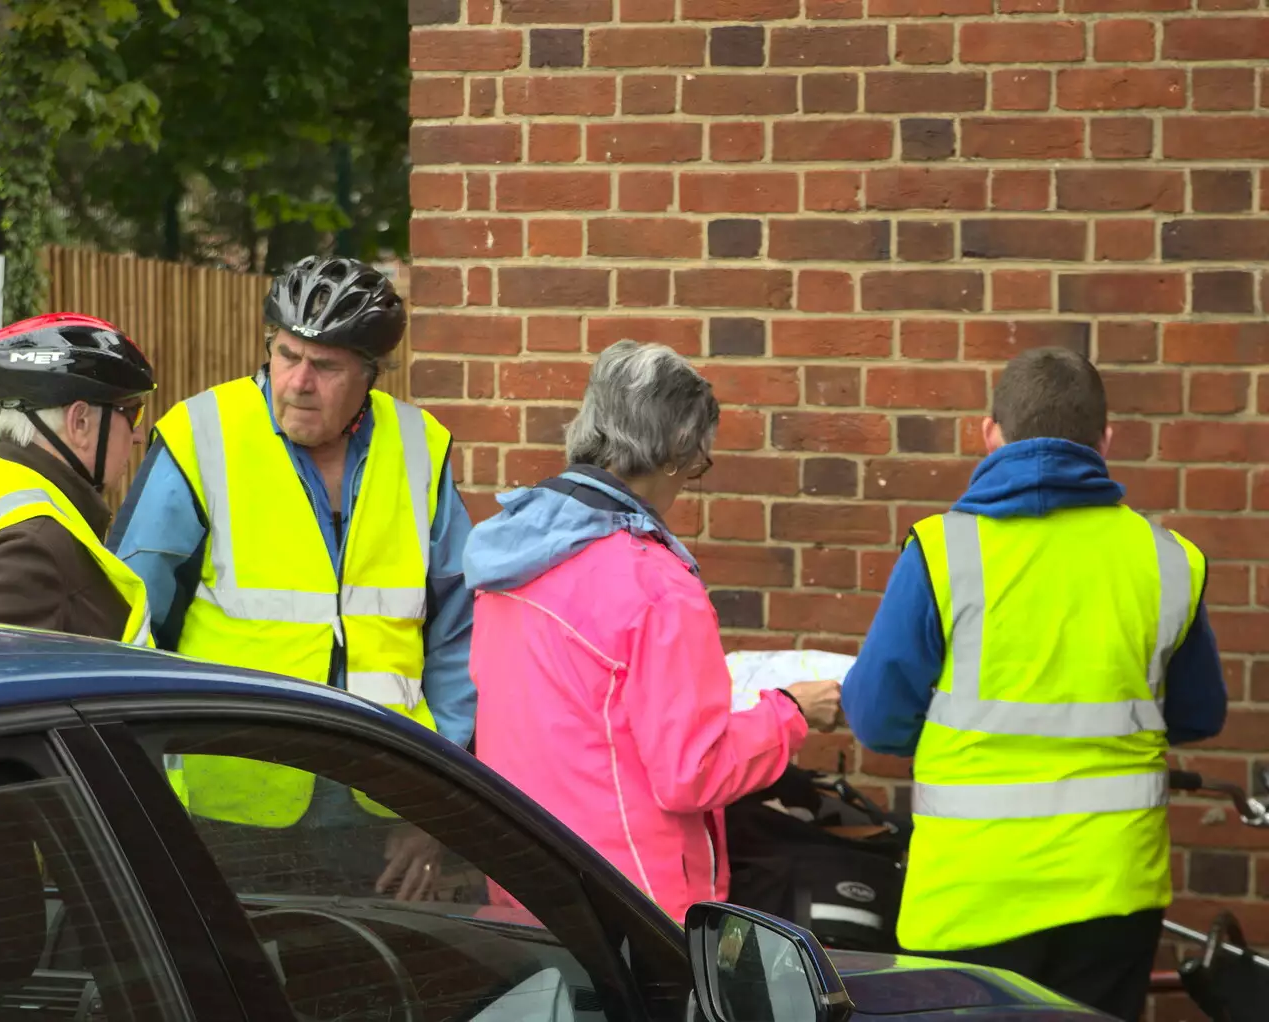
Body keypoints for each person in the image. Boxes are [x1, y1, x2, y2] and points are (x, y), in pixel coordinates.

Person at [841, 346, 1228, 1022]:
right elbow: (1199, 714)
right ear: (1106, 440)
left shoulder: (944, 551)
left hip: (969, 893)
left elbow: (876, 720)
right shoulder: (1168, 561)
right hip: (1114, 891)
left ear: (990, 432)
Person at [108, 255, 476, 901]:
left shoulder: (419, 447)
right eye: (286, 355)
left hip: (385, 799)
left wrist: (437, 805)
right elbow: (132, 622)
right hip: (231, 803)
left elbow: (462, 639)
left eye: (326, 366)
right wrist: (146, 785)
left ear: (368, 373)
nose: (299, 382)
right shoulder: (203, 437)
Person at [461, 340, 842, 924]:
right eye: (699, 463)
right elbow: (694, 771)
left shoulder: (508, 557)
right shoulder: (657, 585)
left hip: (527, 887)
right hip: (636, 904)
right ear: (679, 452)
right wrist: (790, 712)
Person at [0, 313, 157, 644]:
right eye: (133, 413)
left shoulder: (9, 485)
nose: (139, 435)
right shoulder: (31, 547)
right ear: (79, 423)